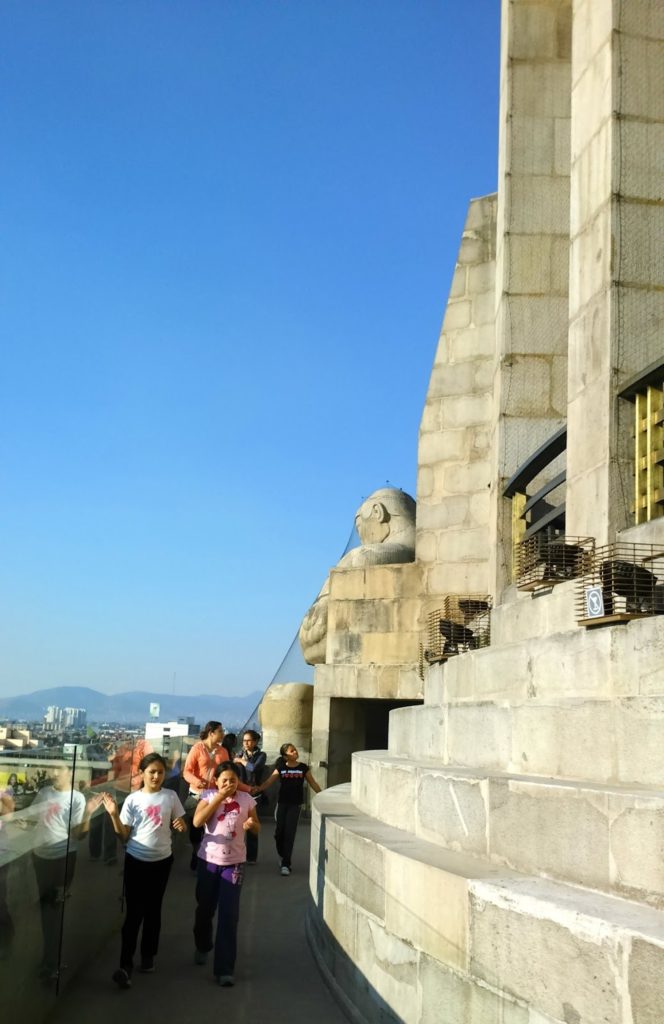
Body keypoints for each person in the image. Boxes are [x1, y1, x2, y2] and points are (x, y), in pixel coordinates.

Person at [101, 752, 186, 989]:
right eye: (152, 772)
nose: (157, 776)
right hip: (136, 861)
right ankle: (125, 965)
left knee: (153, 910)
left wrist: (181, 825)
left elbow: (181, 824)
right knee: (134, 913)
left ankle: (148, 957)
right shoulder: (133, 800)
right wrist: (113, 815)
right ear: (142, 773)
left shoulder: (170, 796)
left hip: (162, 861)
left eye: (160, 772)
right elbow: (123, 836)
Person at [192, 764, 259, 987]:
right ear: (217, 780)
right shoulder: (209, 795)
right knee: (205, 909)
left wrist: (252, 824)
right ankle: (202, 945)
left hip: (235, 864)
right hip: (209, 862)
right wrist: (218, 798)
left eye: (233, 780)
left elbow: (257, 827)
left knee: (229, 915)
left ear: (238, 781)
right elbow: (197, 821)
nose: (229, 784)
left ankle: (224, 968)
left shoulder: (247, 799)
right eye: (224, 780)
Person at [31, 763, 95, 981]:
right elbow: (32, 820)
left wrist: (87, 814)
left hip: (62, 859)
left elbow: (78, 835)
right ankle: (50, 957)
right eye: (52, 769)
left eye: (60, 769)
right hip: (40, 856)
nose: (54, 773)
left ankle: (51, 962)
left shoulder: (77, 798)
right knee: (46, 910)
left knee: (54, 910)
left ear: (70, 772)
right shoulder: (44, 793)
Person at [255, 743, 321, 875]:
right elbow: (268, 782)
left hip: (295, 805)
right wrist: (256, 789)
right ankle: (282, 854)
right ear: (285, 756)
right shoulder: (281, 768)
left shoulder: (303, 768)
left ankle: (286, 864)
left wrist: (322, 794)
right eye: (292, 751)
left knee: (289, 834)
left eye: (295, 750)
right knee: (279, 833)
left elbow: (312, 782)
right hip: (282, 804)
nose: (295, 752)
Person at [183, 722, 228, 869]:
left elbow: (227, 771)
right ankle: (196, 854)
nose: (223, 734)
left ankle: (208, 858)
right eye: (220, 731)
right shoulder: (197, 749)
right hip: (198, 794)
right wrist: (197, 781)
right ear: (211, 733)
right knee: (196, 827)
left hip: (215, 795)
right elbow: (187, 771)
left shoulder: (223, 751)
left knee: (212, 827)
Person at [233, 730, 267, 864]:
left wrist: (241, 761)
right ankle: (238, 853)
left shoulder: (261, 755)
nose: (246, 743)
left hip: (254, 793)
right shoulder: (240, 754)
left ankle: (252, 857)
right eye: (244, 741)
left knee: (252, 824)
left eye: (249, 740)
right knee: (237, 823)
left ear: (255, 741)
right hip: (241, 791)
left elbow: (254, 768)